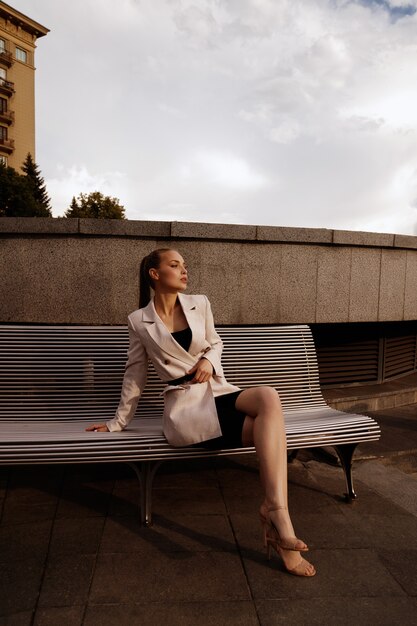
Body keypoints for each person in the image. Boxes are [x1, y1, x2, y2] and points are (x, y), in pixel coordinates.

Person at [86, 248, 316, 577]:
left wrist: (209, 360)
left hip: (218, 391)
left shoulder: (201, 303)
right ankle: (280, 527)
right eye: (175, 265)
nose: (184, 271)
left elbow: (215, 343)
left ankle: (276, 510)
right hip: (187, 409)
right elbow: (135, 374)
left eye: (185, 266)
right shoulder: (139, 321)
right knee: (270, 431)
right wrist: (117, 423)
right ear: (155, 273)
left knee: (268, 397)